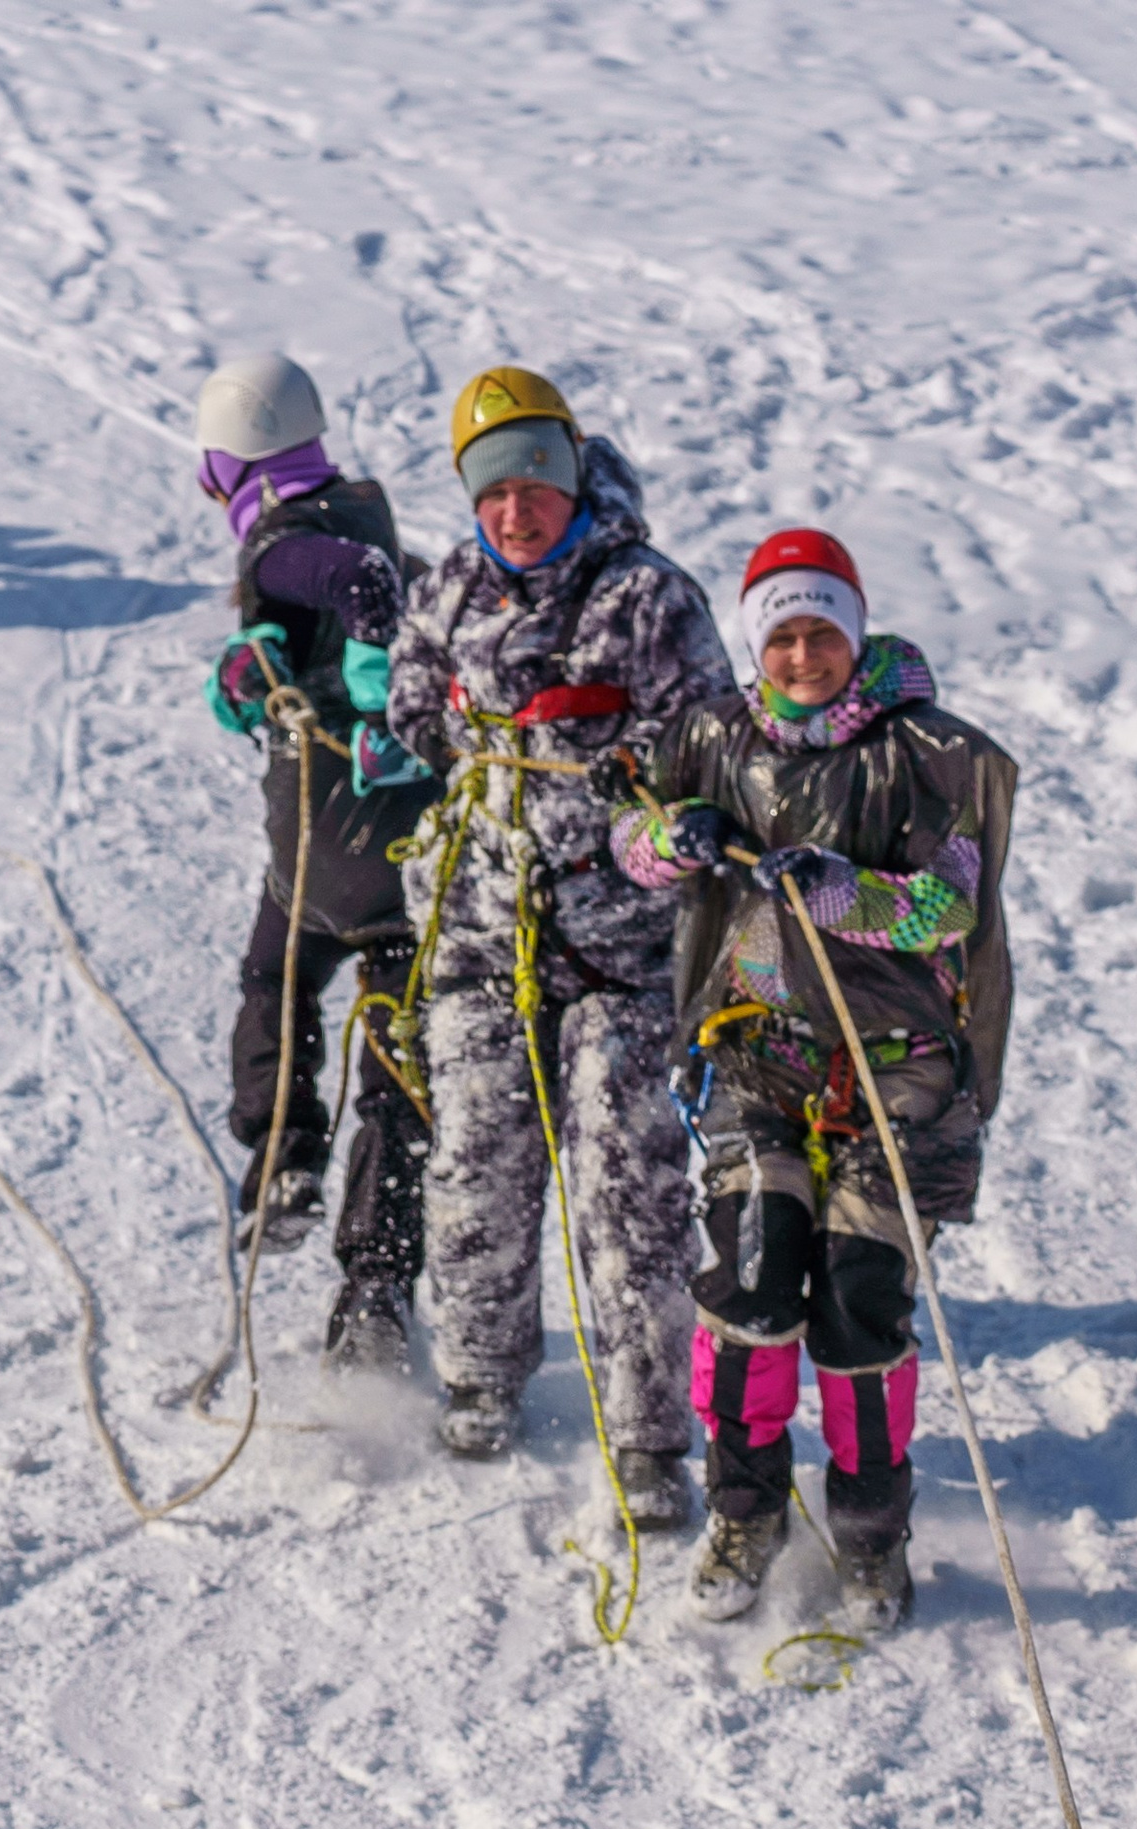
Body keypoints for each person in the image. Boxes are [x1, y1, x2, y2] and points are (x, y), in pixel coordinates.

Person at [610, 526, 1016, 1630]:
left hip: (895, 1069)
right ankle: (743, 1511)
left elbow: (949, 902)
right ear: (754, 643)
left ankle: (872, 1533)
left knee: (857, 1302)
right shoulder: (709, 736)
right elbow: (630, 836)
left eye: (820, 633)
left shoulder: (922, 751)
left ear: (854, 631)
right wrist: (671, 837)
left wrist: (844, 891)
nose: (801, 659)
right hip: (756, 1054)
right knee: (749, 1277)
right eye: (780, 636)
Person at [384, 367, 730, 1498]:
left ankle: (647, 1435)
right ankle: (479, 1377)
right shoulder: (445, 598)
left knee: (627, 1187)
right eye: (492, 488)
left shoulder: (647, 600)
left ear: (572, 475)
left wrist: (661, 806)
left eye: (535, 478)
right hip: (485, 935)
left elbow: (712, 744)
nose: (516, 507)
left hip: (622, 953)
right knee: (474, 1161)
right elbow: (410, 715)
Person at [197, 351, 433, 1363]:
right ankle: (375, 1290)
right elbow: (379, 586)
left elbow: (357, 586)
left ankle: (285, 1159)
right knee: (397, 1055)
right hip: (416, 834)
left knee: (275, 972)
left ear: (224, 464)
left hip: (330, 828)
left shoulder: (287, 540)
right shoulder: (366, 508)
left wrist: (377, 692)